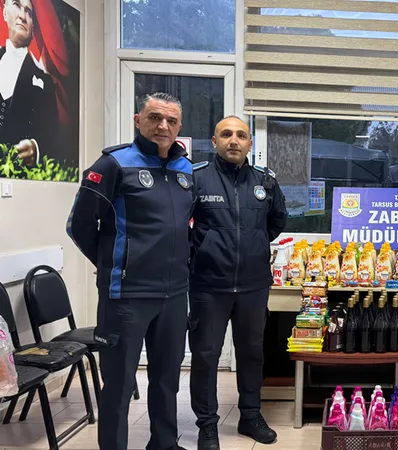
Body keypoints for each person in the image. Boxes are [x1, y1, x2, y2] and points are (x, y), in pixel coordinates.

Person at [66, 92, 193, 450]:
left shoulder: (186, 170)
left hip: (174, 294)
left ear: (179, 127)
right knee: (119, 385)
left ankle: (164, 443)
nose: (162, 126)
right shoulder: (114, 164)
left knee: (167, 379)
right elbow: (79, 225)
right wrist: (113, 265)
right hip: (126, 296)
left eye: (170, 120)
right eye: (154, 118)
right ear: (138, 121)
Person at [189, 116, 287, 449]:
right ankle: (207, 425)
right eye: (227, 134)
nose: (234, 140)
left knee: (251, 354)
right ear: (214, 141)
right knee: (205, 356)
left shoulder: (265, 182)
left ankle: (250, 416)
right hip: (208, 286)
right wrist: (204, 250)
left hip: (253, 285)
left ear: (249, 144)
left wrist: (252, 245)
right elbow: (181, 225)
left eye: (241, 135)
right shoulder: (197, 179)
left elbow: (276, 221)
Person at [0, 0, 57, 166]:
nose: (22, 16)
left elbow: (54, 138)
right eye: (16, 5)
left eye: (29, 12)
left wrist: (36, 148)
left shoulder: (45, 83)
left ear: (33, 28)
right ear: (4, 13)